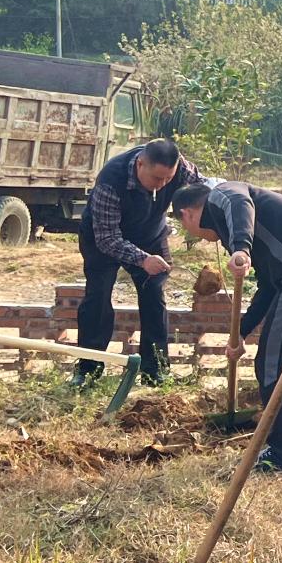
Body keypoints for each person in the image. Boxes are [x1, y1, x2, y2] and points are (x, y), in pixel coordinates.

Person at [173, 179, 282, 474]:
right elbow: (270, 287)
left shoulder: (222, 194)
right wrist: (240, 333)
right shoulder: (265, 238)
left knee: (270, 361)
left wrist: (240, 249)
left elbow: (238, 202)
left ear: (187, 214)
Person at [74, 138, 201, 386]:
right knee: (97, 297)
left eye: (168, 179)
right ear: (140, 164)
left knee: (154, 294)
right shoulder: (111, 180)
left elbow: (203, 191)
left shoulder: (181, 168)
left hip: (150, 235)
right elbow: (108, 238)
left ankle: (155, 371)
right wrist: (142, 260)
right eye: (157, 179)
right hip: (103, 237)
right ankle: (88, 371)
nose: (163, 185)